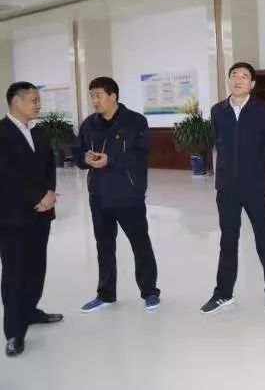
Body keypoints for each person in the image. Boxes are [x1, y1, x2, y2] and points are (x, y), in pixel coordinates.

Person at [200, 62, 265, 314]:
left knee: (264, 238)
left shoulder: (264, 111)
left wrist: (257, 173)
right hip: (227, 188)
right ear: (228, 81)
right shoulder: (218, 111)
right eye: (234, 75)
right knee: (228, 240)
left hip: (256, 187)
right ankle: (223, 294)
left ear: (252, 84)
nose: (238, 80)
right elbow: (218, 144)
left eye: (244, 76)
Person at [73, 77, 161, 313]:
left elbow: (141, 155)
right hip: (99, 195)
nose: (94, 100)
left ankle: (150, 292)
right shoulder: (88, 124)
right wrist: (84, 158)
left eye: (98, 95)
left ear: (113, 96)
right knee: (104, 246)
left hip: (128, 195)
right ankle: (105, 294)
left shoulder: (135, 122)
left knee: (140, 244)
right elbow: (77, 152)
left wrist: (110, 160)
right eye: (91, 96)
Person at [0, 82, 61, 357]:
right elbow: (7, 175)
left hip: (42, 213)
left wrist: (50, 192)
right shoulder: (2, 133)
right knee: (15, 272)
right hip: (12, 217)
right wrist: (38, 197)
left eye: (38, 100)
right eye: (34, 100)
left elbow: (50, 165)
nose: (39, 104)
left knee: (37, 267)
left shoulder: (40, 131)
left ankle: (31, 311)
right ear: (16, 101)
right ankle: (14, 332)